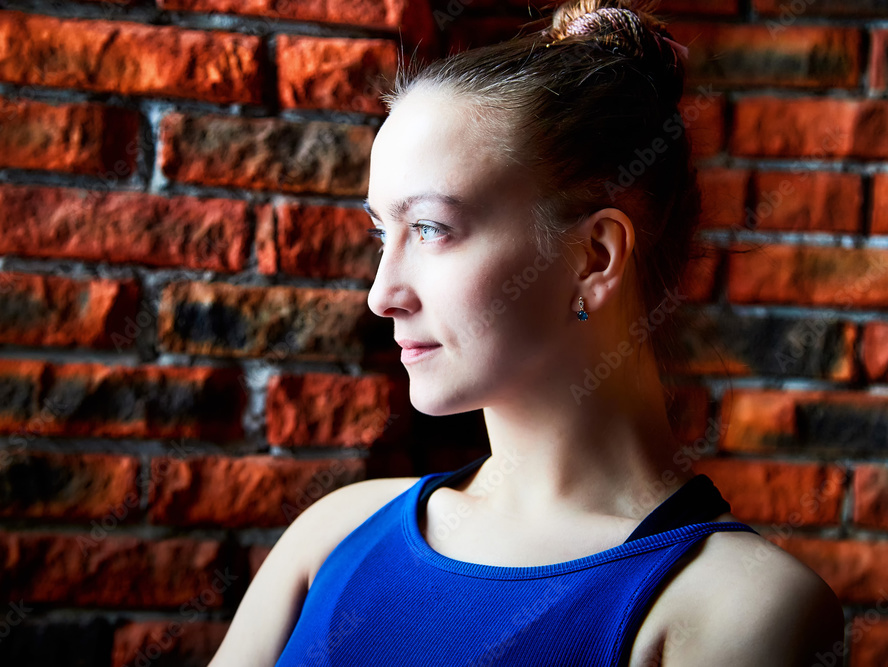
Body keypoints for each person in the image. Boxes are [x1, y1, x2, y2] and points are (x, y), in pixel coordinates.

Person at [208, 1, 845, 664]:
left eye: (431, 229)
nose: (381, 295)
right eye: (381, 233)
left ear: (593, 256)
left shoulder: (738, 609)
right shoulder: (336, 533)